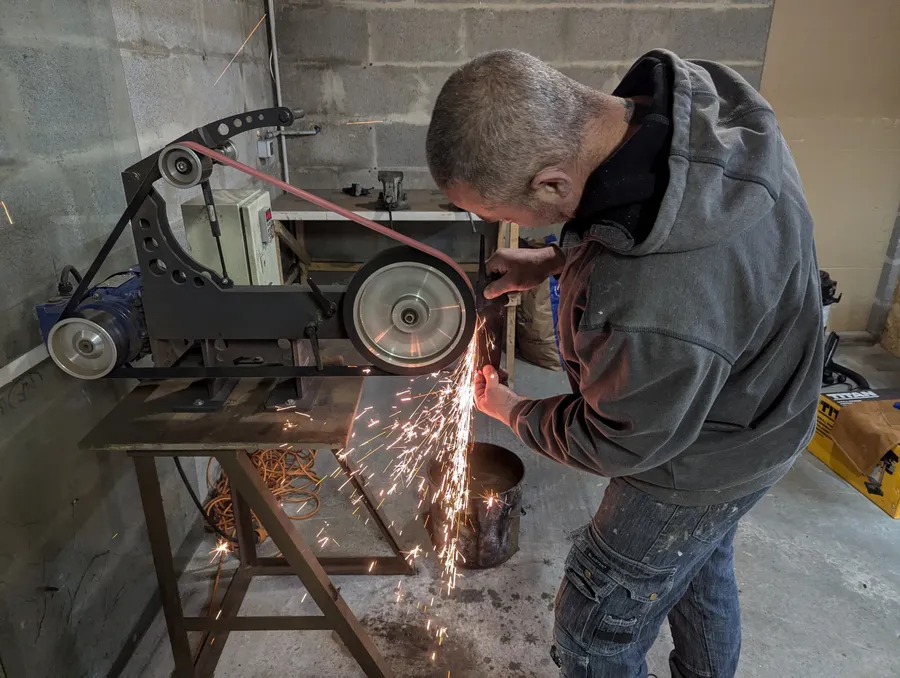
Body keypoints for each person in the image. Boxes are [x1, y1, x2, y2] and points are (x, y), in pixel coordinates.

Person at [425, 50, 823, 678]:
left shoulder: (654, 302)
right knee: (698, 567)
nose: (497, 227)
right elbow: (635, 215)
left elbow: (615, 440)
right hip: (765, 410)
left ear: (552, 184)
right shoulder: (701, 107)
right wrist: (556, 258)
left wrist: (509, 407)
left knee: (594, 630)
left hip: (699, 458)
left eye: (499, 216)